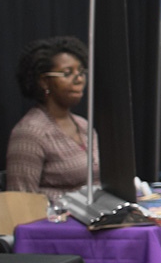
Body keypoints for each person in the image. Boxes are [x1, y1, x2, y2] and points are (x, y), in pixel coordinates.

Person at [7, 36, 100, 200]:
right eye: (67, 73)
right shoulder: (30, 133)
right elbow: (21, 201)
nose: (79, 79)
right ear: (44, 81)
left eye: (81, 71)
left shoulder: (84, 125)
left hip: (96, 218)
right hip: (55, 223)